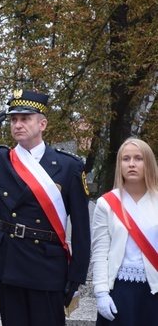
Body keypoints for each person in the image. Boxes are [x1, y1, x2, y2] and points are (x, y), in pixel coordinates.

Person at [0, 90, 90, 326]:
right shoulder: (0, 161)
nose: (18, 125)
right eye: (13, 120)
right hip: (10, 260)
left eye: (25, 119)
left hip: (47, 264)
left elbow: (82, 227)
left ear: (42, 124)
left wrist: (77, 274)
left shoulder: (68, 166)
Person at [91, 137, 158, 325]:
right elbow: (99, 253)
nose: (132, 164)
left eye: (138, 158)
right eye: (125, 159)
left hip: (154, 291)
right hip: (119, 290)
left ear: (149, 163)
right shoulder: (106, 203)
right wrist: (101, 293)